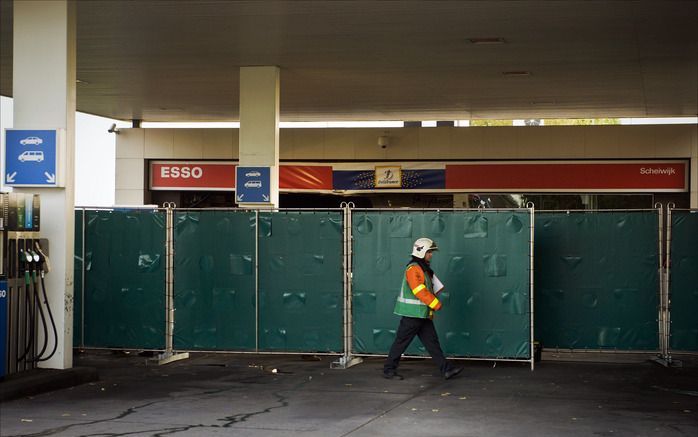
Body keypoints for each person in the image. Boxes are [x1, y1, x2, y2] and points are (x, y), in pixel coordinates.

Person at [383, 237, 463, 380]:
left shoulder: (422, 268)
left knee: (432, 342)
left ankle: (446, 369)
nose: (431, 255)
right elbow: (419, 290)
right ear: (421, 252)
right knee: (401, 342)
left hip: (421, 314)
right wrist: (435, 304)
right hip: (412, 315)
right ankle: (389, 369)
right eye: (429, 252)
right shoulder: (414, 269)